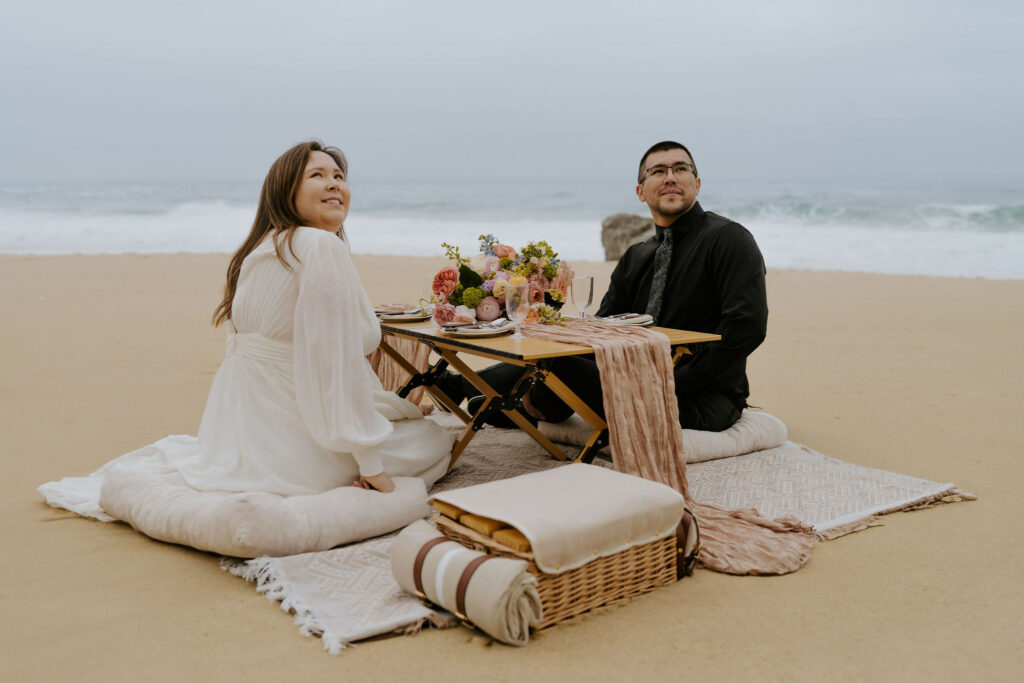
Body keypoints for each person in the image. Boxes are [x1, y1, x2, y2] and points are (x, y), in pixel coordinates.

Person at [40, 141, 452, 519]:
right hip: (294, 445)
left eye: (339, 176)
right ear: (285, 191)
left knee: (406, 422)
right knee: (434, 441)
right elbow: (334, 366)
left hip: (236, 437)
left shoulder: (263, 247)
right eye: (317, 175)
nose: (333, 184)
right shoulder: (320, 246)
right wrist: (371, 466)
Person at [438, 140, 767, 433]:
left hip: (703, 397)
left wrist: (672, 381)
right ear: (640, 192)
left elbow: (746, 328)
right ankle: (464, 389)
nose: (670, 177)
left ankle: (526, 406)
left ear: (697, 184)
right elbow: (601, 329)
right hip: (628, 377)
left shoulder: (728, 239)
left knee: (558, 364)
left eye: (681, 169)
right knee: (554, 351)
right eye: (657, 171)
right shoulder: (637, 256)